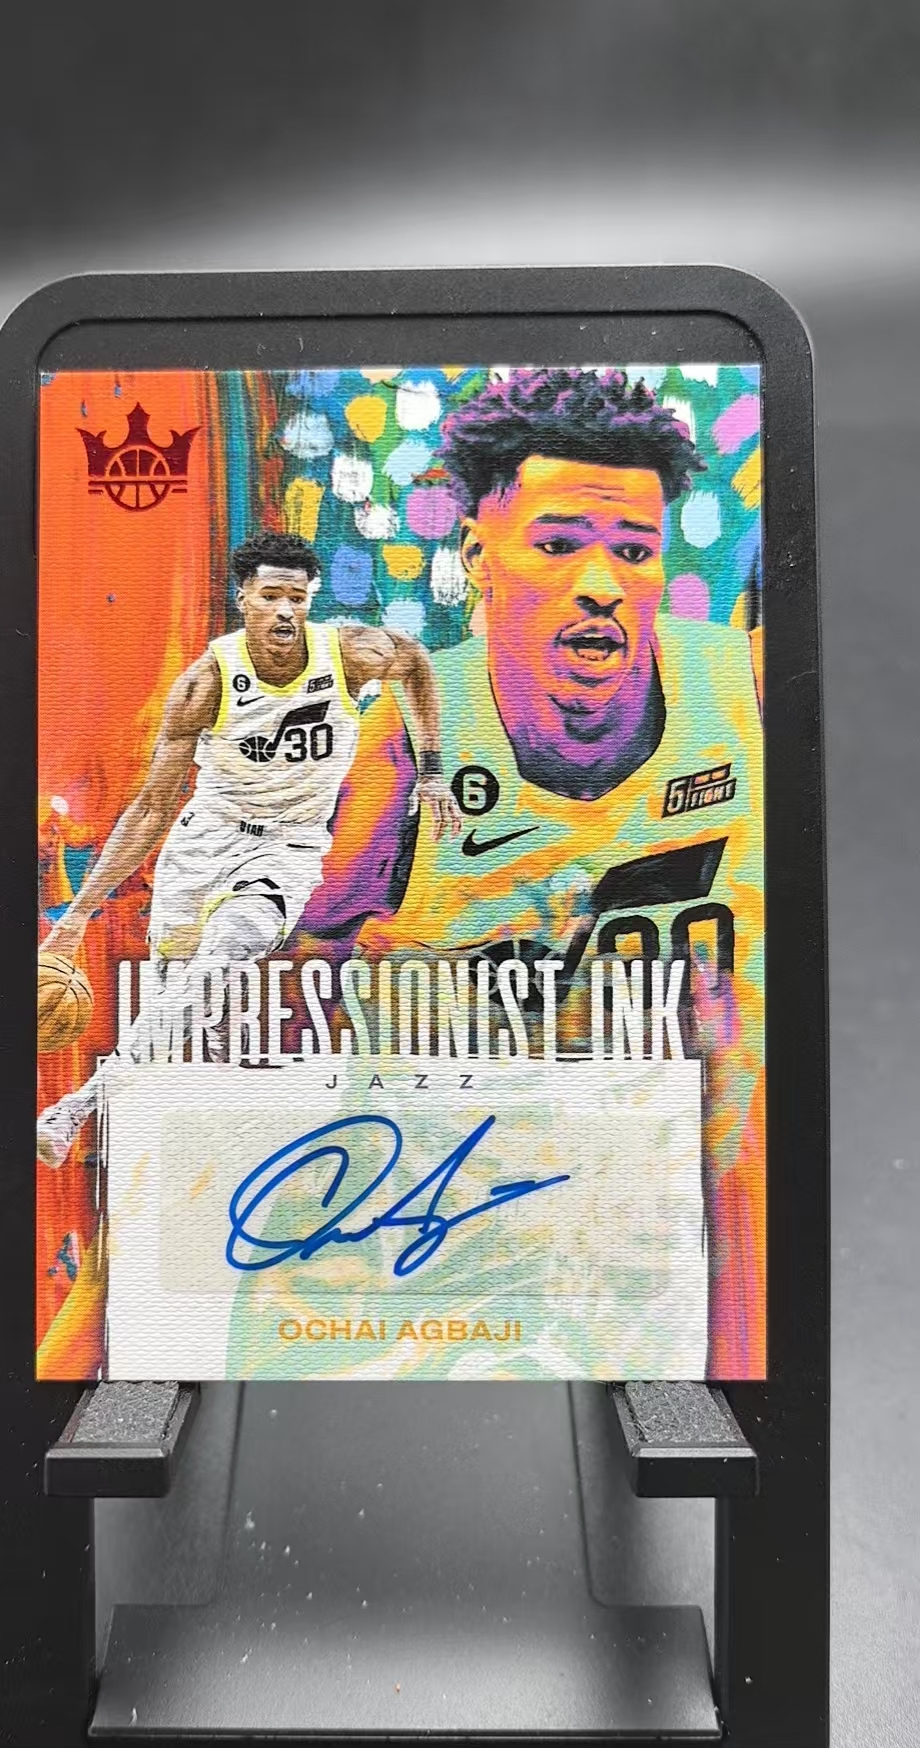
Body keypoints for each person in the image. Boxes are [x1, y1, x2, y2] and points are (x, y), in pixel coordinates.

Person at [306, 368, 765, 1376]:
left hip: (688, 1223)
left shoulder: (744, 691)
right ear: (480, 555)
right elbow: (301, 962)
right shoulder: (411, 735)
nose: (601, 583)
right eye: (559, 546)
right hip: (467, 1244)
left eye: (633, 551)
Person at [36, 528, 461, 1168]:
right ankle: (176, 1136)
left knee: (226, 953)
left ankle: (76, 1109)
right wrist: (75, 920)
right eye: (270, 597)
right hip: (205, 842)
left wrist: (430, 771)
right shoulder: (206, 682)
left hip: (288, 847)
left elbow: (417, 663)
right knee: (178, 1001)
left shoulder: (348, 655)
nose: (285, 610)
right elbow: (151, 807)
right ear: (244, 599)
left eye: (297, 598)